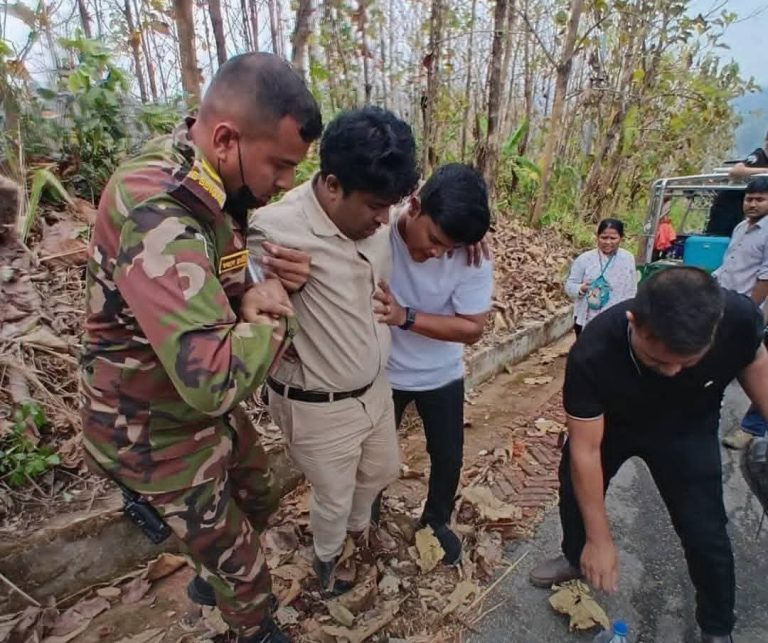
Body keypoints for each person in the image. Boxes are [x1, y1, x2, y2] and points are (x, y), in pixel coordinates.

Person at [80, 53, 322, 643]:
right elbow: (212, 375)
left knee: (260, 494)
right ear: (225, 137)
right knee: (245, 571)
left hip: (194, 409)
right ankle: (254, 626)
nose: (287, 182)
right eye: (282, 164)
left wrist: (252, 293)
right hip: (147, 426)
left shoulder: (212, 183)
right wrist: (276, 313)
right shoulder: (157, 210)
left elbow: (228, 276)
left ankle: (208, 570)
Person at [529, 267, 768, 643]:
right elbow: (586, 450)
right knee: (575, 494)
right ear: (634, 322)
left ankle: (716, 626)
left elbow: (753, 360)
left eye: (686, 363)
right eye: (658, 362)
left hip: (687, 429)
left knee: (705, 532)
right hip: (612, 428)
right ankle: (577, 557)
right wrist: (600, 539)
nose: (672, 372)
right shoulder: (593, 350)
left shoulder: (736, 317)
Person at [249, 107, 419, 595]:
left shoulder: (378, 217)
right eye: (374, 206)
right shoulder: (276, 233)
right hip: (317, 406)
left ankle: (357, 534)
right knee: (333, 495)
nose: (384, 219)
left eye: (391, 205)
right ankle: (327, 561)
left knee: (383, 469)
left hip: (375, 390)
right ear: (330, 184)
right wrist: (263, 281)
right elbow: (234, 294)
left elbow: (412, 221)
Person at [370, 163, 493, 563]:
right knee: (370, 458)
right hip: (381, 374)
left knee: (448, 456)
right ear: (415, 206)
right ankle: (365, 526)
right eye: (436, 240)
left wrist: (406, 316)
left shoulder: (470, 255)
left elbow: (473, 328)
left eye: (451, 248)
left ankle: (436, 522)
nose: (439, 253)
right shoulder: (376, 230)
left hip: (441, 375)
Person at [714, 177, 768, 450]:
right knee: (721, 360)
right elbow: (728, 267)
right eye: (749, 198)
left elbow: (765, 278)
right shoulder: (740, 228)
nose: (753, 204)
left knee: (754, 368)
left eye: (760, 199)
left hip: (749, 312)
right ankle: (708, 414)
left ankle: (754, 427)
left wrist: (748, 313)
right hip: (727, 305)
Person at [565, 218, 637, 337]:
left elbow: (632, 289)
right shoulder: (584, 259)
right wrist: (582, 288)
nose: (608, 242)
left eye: (613, 238)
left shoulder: (628, 258)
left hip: (618, 318)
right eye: (604, 237)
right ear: (597, 237)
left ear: (621, 238)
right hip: (588, 318)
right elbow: (569, 286)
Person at [706, 131, 768, 237]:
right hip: (729, 209)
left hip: (750, 211)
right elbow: (736, 171)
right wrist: (764, 171)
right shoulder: (758, 156)